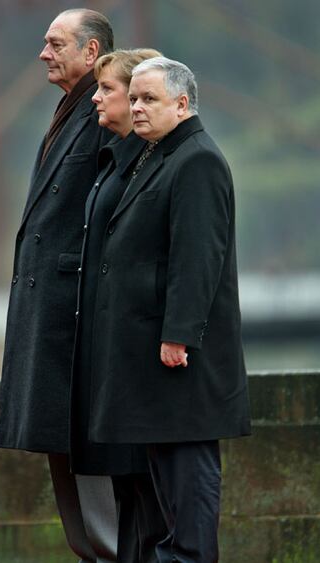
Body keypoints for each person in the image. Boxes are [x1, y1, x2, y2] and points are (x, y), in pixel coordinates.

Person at [84, 56, 252, 562]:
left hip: (178, 363)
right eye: (132, 98)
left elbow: (198, 257)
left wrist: (178, 335)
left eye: (148, 99)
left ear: (182, 104)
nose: (136, 108)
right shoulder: (161, 154)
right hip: (155, 360)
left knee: (187, 491)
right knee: (168, 492)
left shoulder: (196, 159)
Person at [0, 9, 121, 563]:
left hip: (75, 321)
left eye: (56, 44)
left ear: (91, 54)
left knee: (90, 464)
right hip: (51, 317)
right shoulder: (72, 109)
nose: (44, 54)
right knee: (63, 457)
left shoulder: (105, 109)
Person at [71, 49, 168, 563]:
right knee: (125, 491)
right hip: (106, 347)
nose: (98, 97)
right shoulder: (114, 158)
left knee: (145, 493)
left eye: (108, 88)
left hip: (134, 351)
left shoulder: (149, 167)